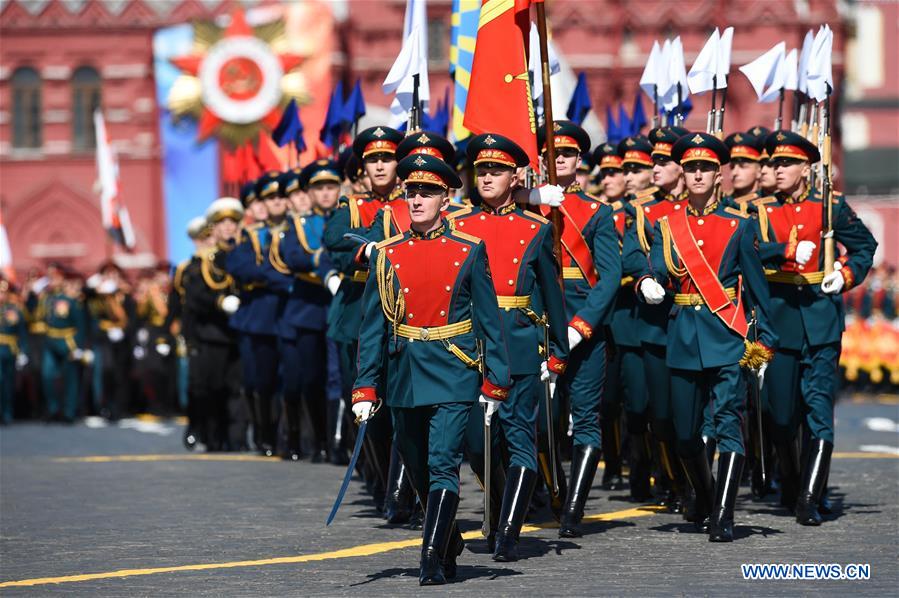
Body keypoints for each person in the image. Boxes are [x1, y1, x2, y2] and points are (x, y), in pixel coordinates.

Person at [351, 152, 511, 585]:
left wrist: (496, 379)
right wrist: (365, 387)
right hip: (406, 372)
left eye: (428, 192)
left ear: (446, 197)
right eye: (412, 192)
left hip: (453, 368)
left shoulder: (469, 249)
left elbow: (488, 318)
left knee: (443, 463)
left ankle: (429, 558)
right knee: (417, 466)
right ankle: (449, 540)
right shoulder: (386, 254)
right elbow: (372, 328)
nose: (418, 199)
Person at [638, 132, 778, 542]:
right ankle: (704, 494)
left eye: (706, 168)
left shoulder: (738, 224)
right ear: (684, 172)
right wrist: (647, 280)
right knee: (684, 436)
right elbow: (657, 270)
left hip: (727, 335)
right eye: (692, 167)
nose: (698, 174)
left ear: (719, 174)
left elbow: (756, 287)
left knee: (728, 425)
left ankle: (723, 515)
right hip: (681, 336)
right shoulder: (667, 225)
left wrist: (764, 339)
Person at [448, 131, 569, 559]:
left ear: (515, 177)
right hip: (469, 346)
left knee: (519, 438)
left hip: (516, 342)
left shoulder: (535, 229)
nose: (486, 177)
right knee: (475, 443)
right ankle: (499, 507)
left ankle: (509, 529)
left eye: (496, 170)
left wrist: (558, 350)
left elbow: (553, 296)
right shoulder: (456, 225)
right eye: (481, 169)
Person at [752, 130, 877, 526]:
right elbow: (748, 251)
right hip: (780, 319)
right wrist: (783, 252)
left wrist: (843, 273)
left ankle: (810, 497)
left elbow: (864, 246)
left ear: (806, 168)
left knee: (819, 412)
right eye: (773, 164)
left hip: (821, 320)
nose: (778, 170)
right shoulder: (760, 211)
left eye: (786, 163)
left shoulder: (830, 207)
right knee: (782, 415)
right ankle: (790, 484)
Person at [530, 122, 620, 539]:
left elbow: (610, 276)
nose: (559, 160)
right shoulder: (528, 208)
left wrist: (581, 326)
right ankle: (553, 488)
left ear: (578, 160)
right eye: (551, 154)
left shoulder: (598, 212)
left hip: (582, 322)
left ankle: (574, 506)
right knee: (535, 419)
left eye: (566, 154)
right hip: (537, 322)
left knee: (585, 417)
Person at [322, 125, 404, 511]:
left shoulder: (414, 203)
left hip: (404, 312)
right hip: (359, 312)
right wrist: (369, 250)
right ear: (363, 167)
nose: (381, 166)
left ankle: (401, 487)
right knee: (366, 405)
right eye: (374, 159)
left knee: (402, 403)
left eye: (388, 158)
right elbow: (337, 245)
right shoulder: (350, 208)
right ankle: (379, 479)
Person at [270, 167, 339, 462]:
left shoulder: (347, 217)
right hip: (308, 307)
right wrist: (324, 262)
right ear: (310, 193)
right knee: (310, 378)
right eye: (319, 188)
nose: (325, 193)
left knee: (338, 376)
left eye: (330, 187)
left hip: (339, 304)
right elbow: (293, 257)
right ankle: (319, 439)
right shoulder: (298, 225)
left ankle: (337, 441)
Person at [224, 174, 284, 456]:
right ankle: (262, 433)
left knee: (282, 380)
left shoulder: (285, 230)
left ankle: (280, 432)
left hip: (282, 312)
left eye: (266, 201)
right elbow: (241, 267)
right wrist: (277, 276)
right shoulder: (245, 237)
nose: (262, 207)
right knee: (258, 380)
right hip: (256, 316)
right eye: (256, 203)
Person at [182, 198, 243, 450]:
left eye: (233, 222)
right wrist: (219, 302)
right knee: (211, 388)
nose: (228, 228)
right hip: (212, 333)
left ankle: (235, 438)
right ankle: (212, 435)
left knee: (237, 388)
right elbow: (194, 297)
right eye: (222, 223)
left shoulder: (243, 253)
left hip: (239, 331)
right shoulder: (204, 262)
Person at [1, 278, 29, 424]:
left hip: (10, 349)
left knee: (8, 383)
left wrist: (23, 352)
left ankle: (7, 413)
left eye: (3, 292)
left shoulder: (14, 310)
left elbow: (22, 332)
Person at [722, 131, 764, 216]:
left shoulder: (768, 203)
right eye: (732, 167)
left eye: (743, 166)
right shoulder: (723, 202)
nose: (734, 173)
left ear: (759, 171)